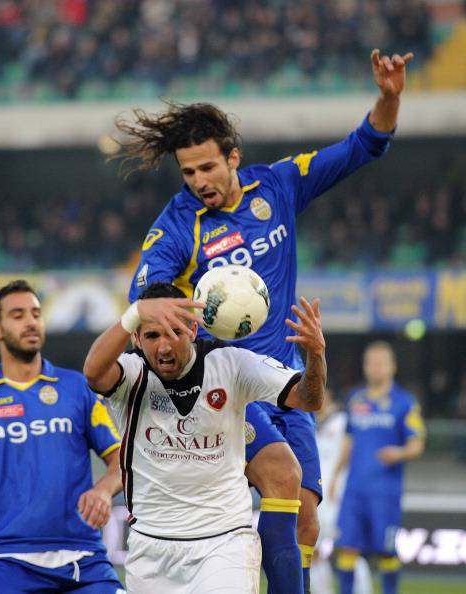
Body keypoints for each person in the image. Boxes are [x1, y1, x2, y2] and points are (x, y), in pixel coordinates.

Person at [116, 48, 413, 594]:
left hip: (285, 378)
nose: (198, 180)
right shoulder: (179, 223)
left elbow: (364, 145)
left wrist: (389, 97)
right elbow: (147, 293)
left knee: (306, 518)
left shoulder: (278, 186)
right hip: (227, 385)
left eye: (207, 167)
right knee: (282, 474)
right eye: (188, 172)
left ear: (233, 157)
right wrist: (164, 305)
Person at [83, 281, 327, 594]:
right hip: (150, 549)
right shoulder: (130, 374)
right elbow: (93, 372)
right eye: (152, 335)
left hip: (224, 544)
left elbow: (308, 399)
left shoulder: (232, 365)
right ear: (136, 338)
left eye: (174, 332)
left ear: (193, 329)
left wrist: (316, 356)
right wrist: (135, 312)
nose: (164, 347)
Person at [0, 280, 125, 594]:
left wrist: (104, 490)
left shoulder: (76, 388)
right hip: (6, 560)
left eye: (36, 314)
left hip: (84, 558)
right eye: (17, 315)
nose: (30, 322)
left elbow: (122, 460)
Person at [329, 341, 426, 594]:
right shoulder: (355, 398)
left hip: (385, 492)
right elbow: (349, 440)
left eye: (381, 363)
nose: (375, 367)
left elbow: (417, 444)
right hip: (354, 490)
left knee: (386, 552)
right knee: (346, 548)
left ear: (393, 366)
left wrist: (399, 453)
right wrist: (335, 476)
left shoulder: (404, 402)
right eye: (371, 362)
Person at [311, 388, 372, 594]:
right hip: (317, 497)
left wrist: (338, 477)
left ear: (329, 394)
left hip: (339, 494)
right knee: (314, 551)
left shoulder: (342, 420)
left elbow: (352, 449)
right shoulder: (308, 422)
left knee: (348, 549)